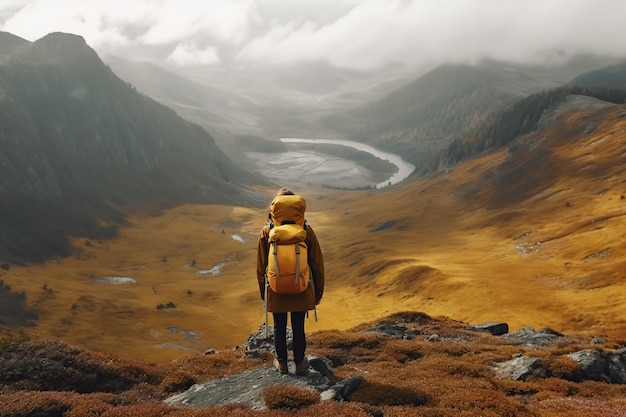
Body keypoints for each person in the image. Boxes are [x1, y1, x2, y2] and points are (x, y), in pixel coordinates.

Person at [256, 187, 324, 375]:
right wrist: (318, 292)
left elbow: (261, 268)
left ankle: (282, 363)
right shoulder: (306, 230)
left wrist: (265, 295)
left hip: (276, 289)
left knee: (279, 325)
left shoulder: (267, 231)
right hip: (301, 288)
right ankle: (301, 364)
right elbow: (317, 264)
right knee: (298, 325)